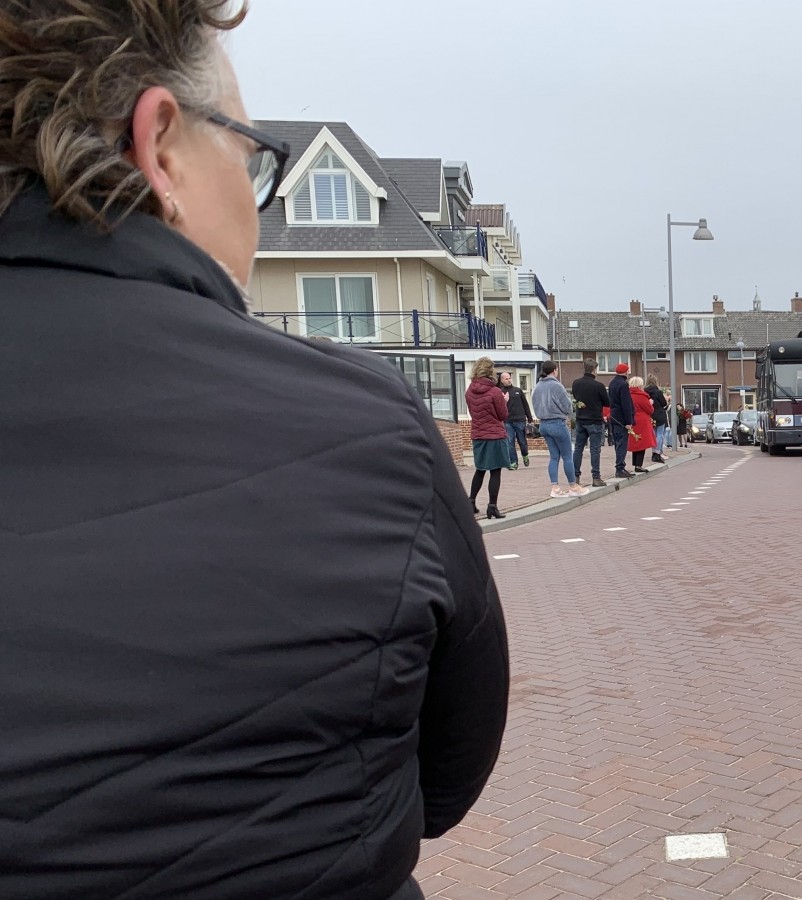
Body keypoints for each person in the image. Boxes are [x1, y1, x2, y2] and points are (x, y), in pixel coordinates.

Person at [0, 6, 509, 898]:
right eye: (248, 159)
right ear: (160, 144)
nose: (256, 209)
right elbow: (446, 772)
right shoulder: (372, 429)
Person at [532, 361, 587, 499]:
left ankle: (555, 487)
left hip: (543, 424)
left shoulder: (537, 386)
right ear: (555, 370)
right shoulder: (556, 385)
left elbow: (534, 404)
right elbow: (567, 406)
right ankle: (573, 486)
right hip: (557, 423)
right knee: (567, 456)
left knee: (554, 457)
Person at [466, 357, 512, 518]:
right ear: (489, 371)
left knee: (480, 469)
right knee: (495, 471)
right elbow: (503, 415)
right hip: (494, 435)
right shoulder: (494, 392)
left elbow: (473, 413)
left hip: (478, 434)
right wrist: (504, 401)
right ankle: (492, 506)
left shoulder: (469, 391)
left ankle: (470, 502)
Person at [571, 359, 608, 488]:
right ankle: (596, 477)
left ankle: (575, 476)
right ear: (594, 370)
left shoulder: (576, 383)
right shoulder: (599, 386)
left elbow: (575, 397)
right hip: (595, 420)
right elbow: (607, 402)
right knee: (595, 449)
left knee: (578, 449)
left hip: (581, 419)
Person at [606, 362, 636, 479]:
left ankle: (621, 466)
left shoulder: (612, 383)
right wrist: (629, 421)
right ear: (625, 372)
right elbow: (626, 404)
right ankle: (620, 468)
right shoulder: (623, 385)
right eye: (628, 371)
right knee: (622, 444)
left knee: (617, 443)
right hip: (621, 420)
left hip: (613, 417)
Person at [498, 371, 532, 469]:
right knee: (510, 442)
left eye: (509, 378)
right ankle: (514, 463)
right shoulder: (500, 392)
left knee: (522, 441)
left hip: (520, 420)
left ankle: (525, 455)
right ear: (502, 380)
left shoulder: (518, 390)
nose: (508, 380)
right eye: (506, 379)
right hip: (507, 421)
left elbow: (525, 404)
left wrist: (529, 417)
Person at [626, 376, 656, 472]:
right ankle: (638, 465)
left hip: (631, 420)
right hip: (642, 421)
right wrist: (650, 403)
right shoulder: (642, 396)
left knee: (635, 443)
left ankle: (635, 463)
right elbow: (649, 410)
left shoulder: (627, 394)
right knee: (641, 443)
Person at [645, 373, 670, 463]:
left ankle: (653, 452)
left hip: (650, 415)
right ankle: (657, 453)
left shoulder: (644, 392)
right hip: (659, 414)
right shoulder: (658, 392)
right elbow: (663, 403)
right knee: (660, 435)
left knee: (653, 435)